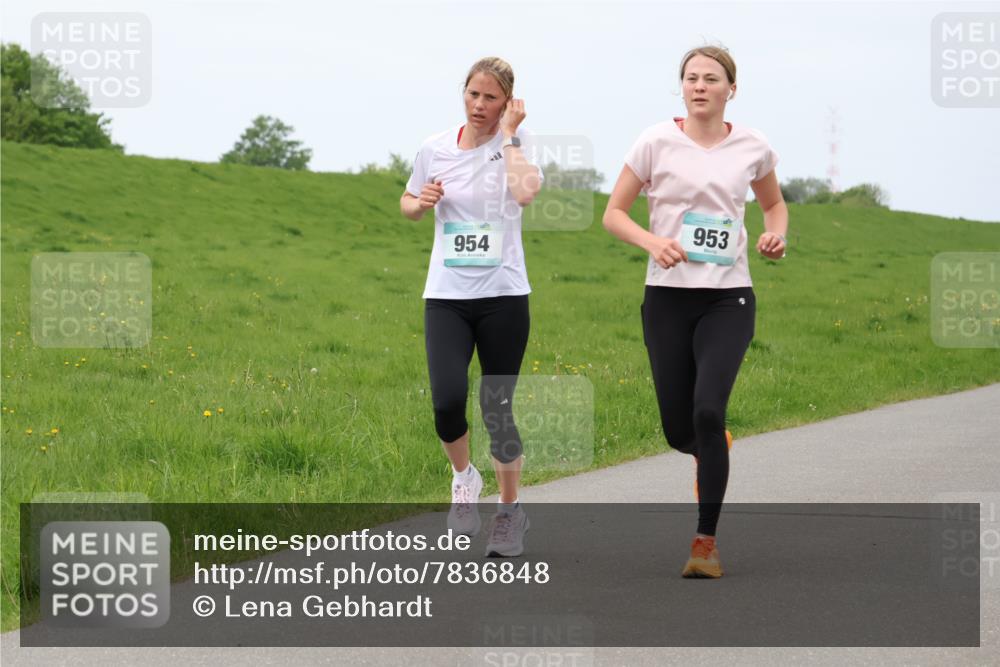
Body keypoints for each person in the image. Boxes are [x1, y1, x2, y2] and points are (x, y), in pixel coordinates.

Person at [602, 45, 788, 578]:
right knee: (679, 431)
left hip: (729, 297)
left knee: (708, 410)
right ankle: (711, 448)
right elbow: (614, 213)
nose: (699, 85)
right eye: (690, 78)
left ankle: (704, 542)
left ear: (732, 88)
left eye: (711, 78)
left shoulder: (753, 145)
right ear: (681, 87)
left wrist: (775, 235)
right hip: (667, 296)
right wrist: (652, 241)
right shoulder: (655, 141)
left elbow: (773, 205)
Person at [400, 57, 543, 558]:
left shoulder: (515, 149)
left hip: (503, 295)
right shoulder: (433, 148)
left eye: (491, 98)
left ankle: (509, 513)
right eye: (473, 94)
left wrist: (509, 136)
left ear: (508, 104)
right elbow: (408, 201)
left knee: (497, 409)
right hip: (446, 297)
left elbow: (526, 194)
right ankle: (464, 477)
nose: (479, 105)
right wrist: (422, 203)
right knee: (446, 401)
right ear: (463, 94)